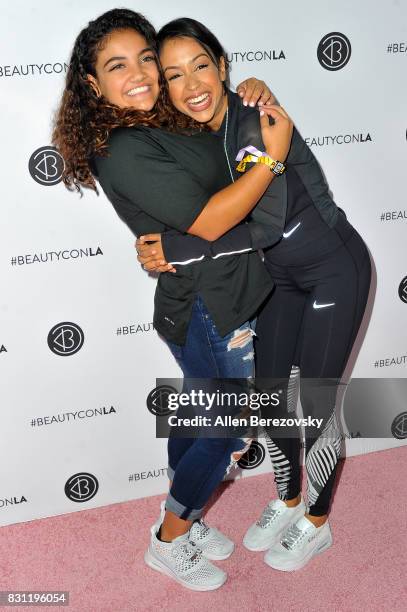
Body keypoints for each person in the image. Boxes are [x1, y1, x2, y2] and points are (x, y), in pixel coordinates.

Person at [52, 8, 293, 591]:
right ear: (92, 83)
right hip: (211, 307)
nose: (140, 75)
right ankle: (170, 537)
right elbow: (211, 219)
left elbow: (216, 153)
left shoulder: (162, 121)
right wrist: (270, 158)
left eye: (146, 60)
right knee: (225, 432)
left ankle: (180, 508)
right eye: (117, 66)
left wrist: (249, 92)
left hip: (215, 295)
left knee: (198, 411)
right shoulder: (123, 146)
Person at [137, 17, 372, 573]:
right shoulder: (202, 133)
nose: (192, 84)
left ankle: (317, 522)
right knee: (270, 397)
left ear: (222, 66)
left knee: (315, 406)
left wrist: (178, 247)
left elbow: (263, 227)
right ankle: (289, 498)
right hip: (280, 280)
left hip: (334, 268)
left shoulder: (255, 119)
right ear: (165, 87)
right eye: (174, 75)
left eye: (201, 66)